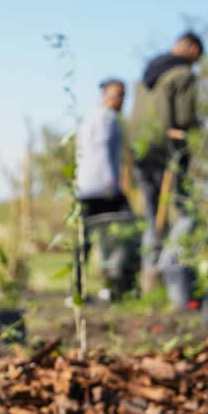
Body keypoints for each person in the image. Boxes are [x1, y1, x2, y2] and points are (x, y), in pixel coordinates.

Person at [128, 31, 203, 277]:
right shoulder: (183, 74)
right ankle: (169, 268)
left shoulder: (148, 72)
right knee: (187, 212)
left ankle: (149, 270)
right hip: (168, 147)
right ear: (192, 49)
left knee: (152, 213)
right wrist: (195, 126)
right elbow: (183, 117)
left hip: (140, 148)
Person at [72, 78, 134, 301]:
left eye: (124, 94)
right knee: (120, 233)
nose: (121, 99)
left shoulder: (90, 118)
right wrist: (112, 186)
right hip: (102, 187)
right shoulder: (106, 119)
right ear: (105, 95)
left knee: (84, 239)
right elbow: (100, 155)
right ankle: (116, 287)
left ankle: (78, 290)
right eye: (118, 94)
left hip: (86, 186)